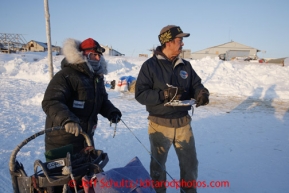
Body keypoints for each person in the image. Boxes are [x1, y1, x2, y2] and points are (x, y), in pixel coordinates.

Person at [135, 25, 209, 193]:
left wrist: (202, 93)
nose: (182, 44)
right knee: (158, 168)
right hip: (159, 125)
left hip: (183, 123)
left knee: (190, 165)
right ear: (167, 42)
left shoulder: (185, 66)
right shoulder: (150, 66)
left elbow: (196, 85)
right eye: (179, 40)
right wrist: (163, 95)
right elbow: (141, 94)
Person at [42, 38, 122, 154]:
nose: (98, 59)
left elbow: (102, 100)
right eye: (93, 55)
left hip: (85, 138)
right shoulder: (66, 75)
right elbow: (51, 101)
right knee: (64, 172)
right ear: (83, 55)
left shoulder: (96, 78)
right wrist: (68, 120)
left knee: (88, 170)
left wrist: (111, 111)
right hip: (62, 140)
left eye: (99, 55)